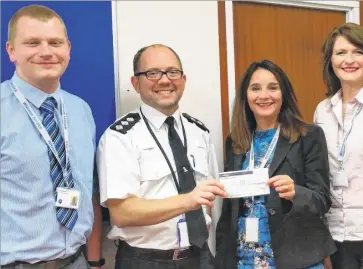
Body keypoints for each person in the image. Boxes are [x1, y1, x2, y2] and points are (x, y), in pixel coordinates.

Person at [96, 43, 226, 269]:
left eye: (172, 72)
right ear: (136, 83)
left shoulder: (200, 132)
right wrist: (187, 201)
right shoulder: (120, 137)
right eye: (152, 73)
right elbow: (121, 213)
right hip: (145, 261)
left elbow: (213, 204)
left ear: (183, 79)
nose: (165, 80)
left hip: (201, 257)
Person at [1, 5, 103, 269]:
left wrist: (94, 261)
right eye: (33, 43)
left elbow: (87, 190)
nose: (46, 52)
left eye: (55, 42)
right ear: (11, 50)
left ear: (68, 48)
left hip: (76, 261)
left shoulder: (81, 110)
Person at [215, 60, 336, 269]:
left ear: (284, 95)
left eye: (273, 87)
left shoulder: (309, 136)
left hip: (296, 259)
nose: (264, 95)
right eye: (255, 88)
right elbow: (229, 209)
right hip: (245, 259)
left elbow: (322, 200)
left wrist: (296, 192)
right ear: (246, 96)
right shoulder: (235, 142)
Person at [314, 22, 363, 269]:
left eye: (358, 52)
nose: (349, 60)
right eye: (341, 53)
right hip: (335, 238)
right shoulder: (322, 111)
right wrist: (322, 243)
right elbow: (320, 177)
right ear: (330, 61)